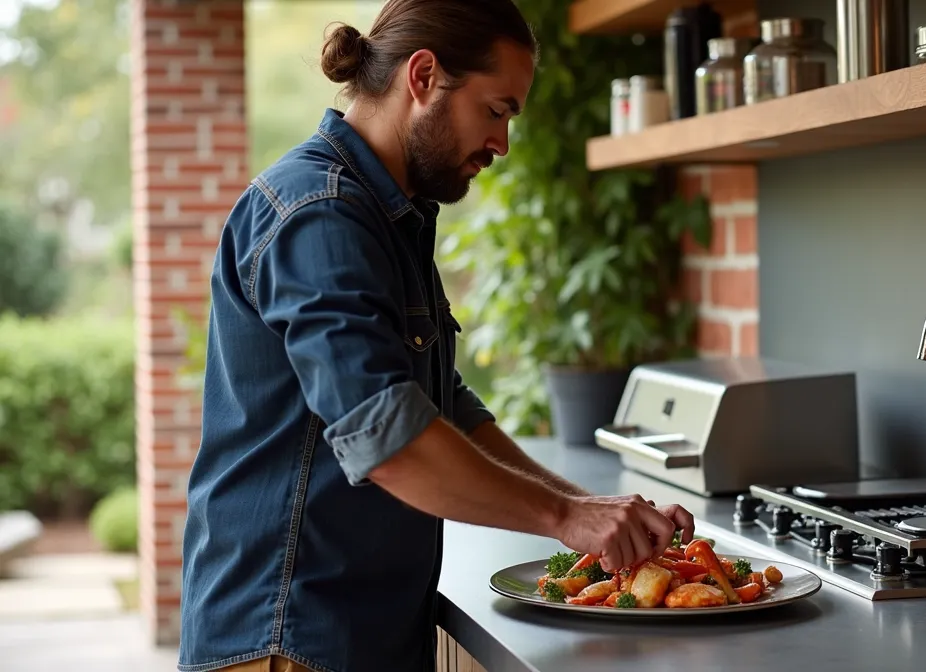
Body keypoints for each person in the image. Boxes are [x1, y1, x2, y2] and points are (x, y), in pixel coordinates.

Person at [177, 1, 695, 671]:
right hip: (291, 640)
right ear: (423, 76)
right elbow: (388, 438)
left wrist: (582, 505)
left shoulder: (386, 214)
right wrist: (567, 520)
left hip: (349, 636)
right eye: (496, 110)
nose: (502, 143)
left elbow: (438, 400)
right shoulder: (321, 213)